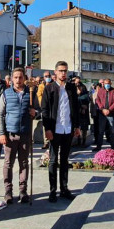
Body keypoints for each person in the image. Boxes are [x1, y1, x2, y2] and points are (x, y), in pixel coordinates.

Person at [41, 61, 80, 203]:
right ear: (55, 72)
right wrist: (48, 129)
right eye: (61, 71)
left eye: (65, 71)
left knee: (64, 159)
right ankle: (52, 190)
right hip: (55, 129)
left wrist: (77, 127)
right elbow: (45, 110)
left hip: (67, 128)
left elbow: (75, 108)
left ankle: (64, 188)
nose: (63, 73)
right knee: (52, 160)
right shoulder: (49, 88)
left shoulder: (71, 88)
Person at [0, 67, 36, 204]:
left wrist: (34, 113)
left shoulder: (30, 93)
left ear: (24, 78)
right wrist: (1, 133)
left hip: (25, 134)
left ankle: (23, 191)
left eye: (20, 77)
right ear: (12, 79)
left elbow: (39, 110)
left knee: (24, 163)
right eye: (15, 77)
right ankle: (8, 191)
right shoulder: (6, 94)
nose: (18, 80)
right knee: (8, 163)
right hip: (10, 134)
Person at [94, 78, 114, 151]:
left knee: (112, 130)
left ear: (111, 83)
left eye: (108, 83)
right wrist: (102, 109)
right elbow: (97, 100)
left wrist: (109, 110)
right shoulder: (100, 91)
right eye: (105, 84)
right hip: (102, 113)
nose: (107, 85)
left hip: (111, 113)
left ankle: (113, 146)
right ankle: (99, 146)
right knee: (101, 131)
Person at [36, 70, 53, 149]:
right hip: (45, 108)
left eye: (48, 76)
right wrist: (42, 104)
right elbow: (39, 95)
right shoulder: (41, 86)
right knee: (45, 125)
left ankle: (52, 140)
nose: (47, 78)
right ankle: (46, 142)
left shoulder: (53, 84)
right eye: (46, 76)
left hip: (53, 107)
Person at [73, 77, 90, 147]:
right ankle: (78, 140)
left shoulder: (84, 90)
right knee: (78, 126)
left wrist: (83, 107)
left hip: (83, 113)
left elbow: (86, 99)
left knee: (84, 127)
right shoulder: (73, 90)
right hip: (77, 112)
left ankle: (83, 141)